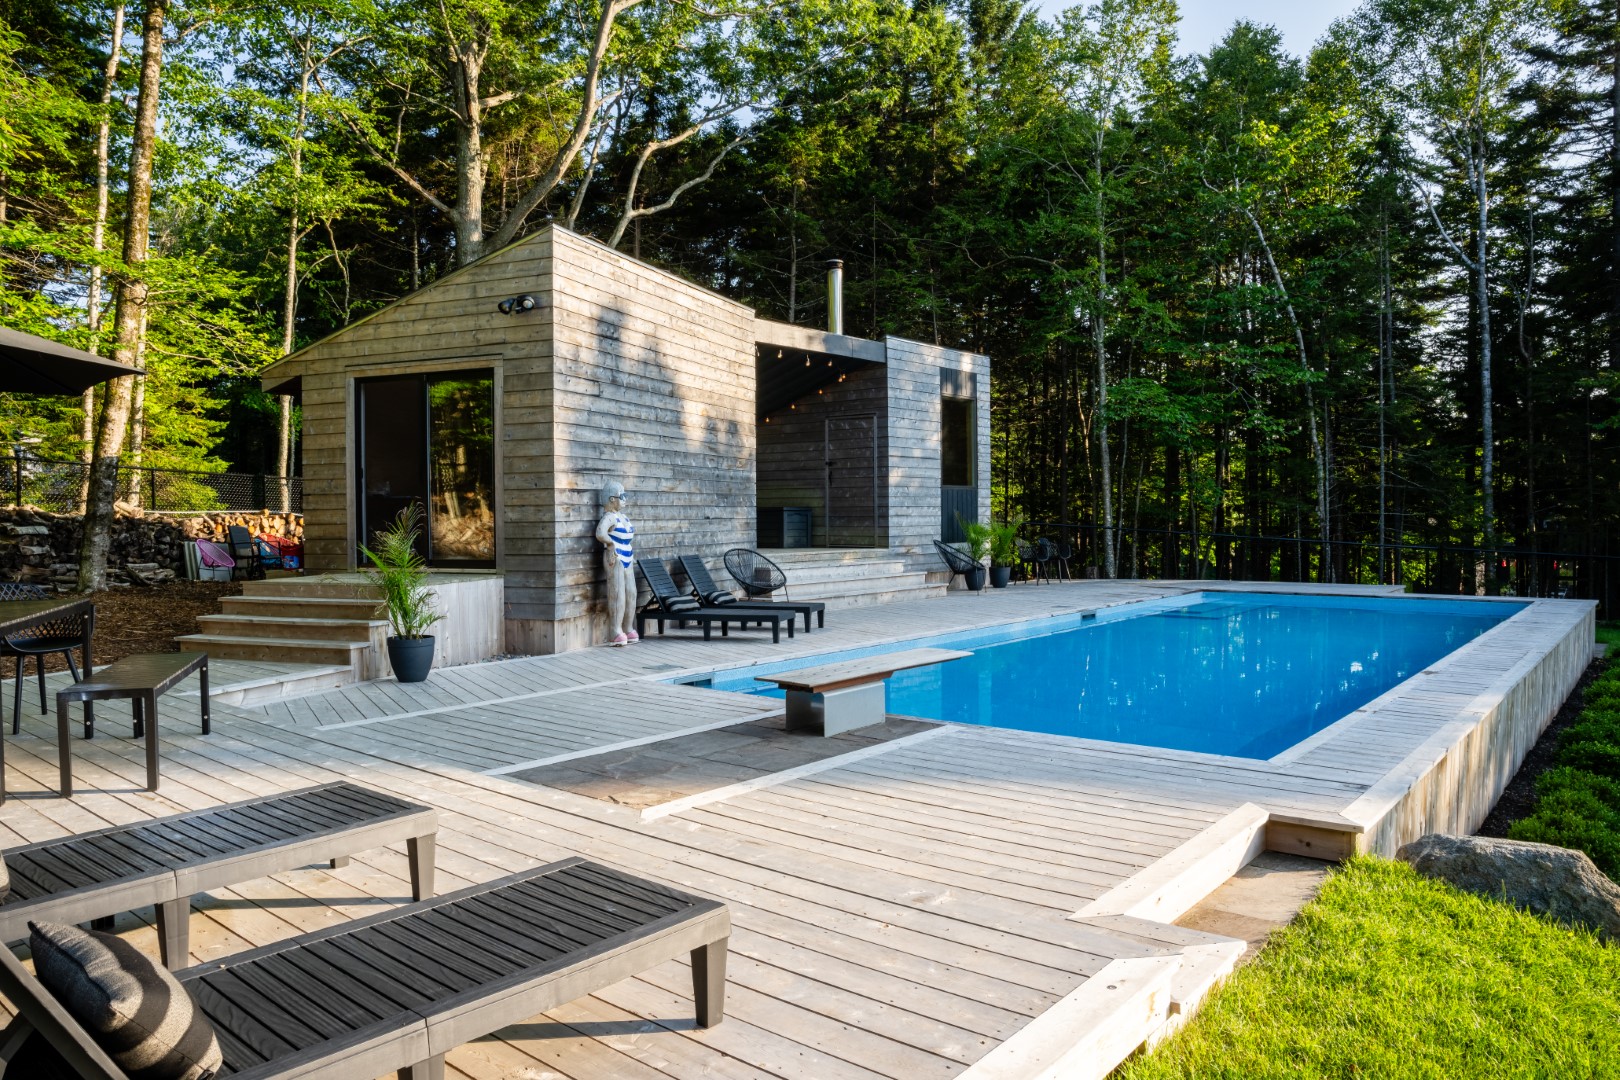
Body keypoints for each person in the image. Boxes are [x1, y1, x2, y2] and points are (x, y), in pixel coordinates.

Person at [594, 481, 638, 645]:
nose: (625, 499)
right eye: (622, 496)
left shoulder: (623, 517)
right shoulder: (609, 517)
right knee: (618, 593)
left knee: (631, 592)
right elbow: (600, 533)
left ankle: (628, 627)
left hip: (627, 556)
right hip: (616, 557)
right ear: (612, 499)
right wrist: (611, 544)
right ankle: (615, 630)